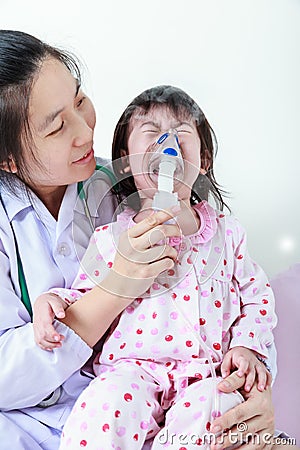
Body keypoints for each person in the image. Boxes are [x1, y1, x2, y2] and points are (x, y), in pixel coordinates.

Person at [33, 85, 277, 450]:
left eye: (182, 133)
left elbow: (256, 298)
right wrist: (50, 302)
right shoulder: (109, 237)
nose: (168, 144)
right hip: (128, 371)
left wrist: (247, 348)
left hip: (204, 375)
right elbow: (87, 294)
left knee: (219, 411)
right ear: (127, 161)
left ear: (203, 161)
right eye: (151, 133)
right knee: (100, 410)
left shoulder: (228, 236)